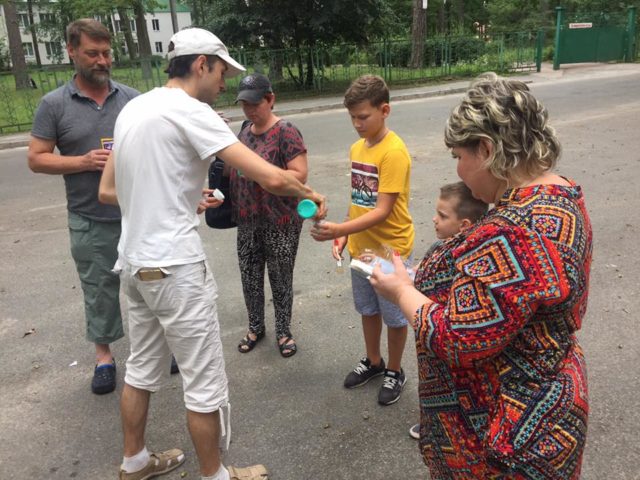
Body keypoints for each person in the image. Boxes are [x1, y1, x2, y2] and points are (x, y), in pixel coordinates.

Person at [98, 28, 325, 480]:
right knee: (205, 384)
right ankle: (217, 475)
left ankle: (134, 462)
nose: (224, 84)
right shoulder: (191, 110)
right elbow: (273, 178)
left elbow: (108, 191)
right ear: (201, 64)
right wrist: (313, 195)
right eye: (222, 71)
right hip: (176, 269)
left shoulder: (133, 109)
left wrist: (179, 197)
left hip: (134, 261)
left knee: (140, 370)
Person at [370, 72, 591, 479]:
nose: (459, 167)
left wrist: (401, 290)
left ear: (487, 149)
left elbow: (460, 338)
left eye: (459, 155)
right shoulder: (561, 196)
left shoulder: (512, 231)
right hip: (550, 405)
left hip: (505, 437)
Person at [27, 19, 140, 395]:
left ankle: (153, 349)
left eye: (106, 53)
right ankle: (104, 358)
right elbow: (37, 159)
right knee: (99, 289)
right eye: (92, 53)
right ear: (71, 51)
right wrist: (82, 162)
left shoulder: (131, 99)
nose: (102, 61)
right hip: (89, 217)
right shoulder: (54, 104)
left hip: (136, 214)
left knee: (150, 284)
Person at [311, 74, 415, 406]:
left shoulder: (393, 152)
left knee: (395, 316)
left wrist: (339, 231)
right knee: (368, 309)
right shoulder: (358, 148)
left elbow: (383, 210)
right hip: (361, 247)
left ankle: (395, 370)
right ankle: (374, 361)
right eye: (352, 117)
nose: (357, 124)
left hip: (389, 250)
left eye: (363, 117)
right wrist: (345, 233)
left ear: (385, 110)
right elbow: (361, 201)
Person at [231, 73, 308, 358]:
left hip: (281, 222)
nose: (250, 110)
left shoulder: (286, 131)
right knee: (249, 276)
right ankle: (255, 326)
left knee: (280, 278)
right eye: (244, 104)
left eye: (255, 103)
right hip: (247, 219)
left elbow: (299, 174)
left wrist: (261, 173)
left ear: (270, 99)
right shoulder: (243, 132)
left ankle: (284, 331)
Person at [407, 181, 487, 440]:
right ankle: (432, 423)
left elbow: (422, 285)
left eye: (442, 216)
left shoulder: (462, 257)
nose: (434, 219)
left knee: (451, 389)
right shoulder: (444, 248)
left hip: (444, 339)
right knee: (432, 386)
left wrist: (399, 285)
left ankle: (443, 431)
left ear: (464, 225)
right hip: (432, 339)